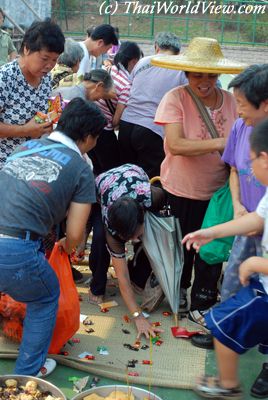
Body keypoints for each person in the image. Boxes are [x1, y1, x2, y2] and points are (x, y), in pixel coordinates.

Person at [0, 97, 106, 377]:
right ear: (87, 137)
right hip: (14, 248)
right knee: (46, 297)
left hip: (12, 241)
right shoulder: (82, 167)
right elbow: (73, 234)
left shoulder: (26, 146)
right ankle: (27, 374)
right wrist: (67, 247)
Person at [154, 37, 245, 322]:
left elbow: (240, 141)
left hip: (217, 192)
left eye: (210, 75)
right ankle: (178, 290)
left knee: (211, 250)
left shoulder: (230, 101)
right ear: (187, 74)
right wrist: (220, 143)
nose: (203, 81)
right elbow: (177, 144)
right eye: (197, 75)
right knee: (181, 247)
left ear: (218, 75)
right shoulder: (175, 98)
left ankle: (201, 303)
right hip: (180, 189)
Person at [191, 64, 268, 399]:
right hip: (249, 218)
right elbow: (235, 169)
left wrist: (259, 266)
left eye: (242, 104)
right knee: (236, 278)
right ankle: (229, 335)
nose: (237, 110)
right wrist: (218, 226)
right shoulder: (242, 128)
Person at [95, 163, 166, 338]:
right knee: (98, 240)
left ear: (144, 215)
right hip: (102, 186)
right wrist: (138, 316)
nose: (135, 240)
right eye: (129, 238)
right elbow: (123, 279)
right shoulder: (111, 231)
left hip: (134, 172)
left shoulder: (154, 196)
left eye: (137, 234)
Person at [119, 31, 187, 179]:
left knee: (125, 175)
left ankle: (122, 202)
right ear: (178, 51)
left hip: (126, 124)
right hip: (151, 130)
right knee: (150, 180)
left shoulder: (142, 62)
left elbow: (127, 90)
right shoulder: (181, 68)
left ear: (156, 47)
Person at [0, 19, 65, 168]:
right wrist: (25, 130)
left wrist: (47, 123)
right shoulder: (5, 78)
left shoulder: (46, 78)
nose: (49, 65)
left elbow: (39, 115)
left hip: (32, 161)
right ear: (27, 49)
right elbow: (29, 128)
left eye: (54, 60)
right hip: (6, 166)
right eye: (44, 58)